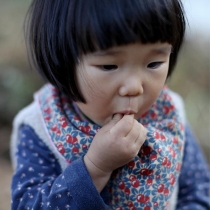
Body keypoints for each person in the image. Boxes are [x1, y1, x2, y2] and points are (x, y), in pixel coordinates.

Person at [10, 0, 210, 209]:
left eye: (154, 63)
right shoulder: (42, 127)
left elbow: (197, 191)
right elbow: (27, 204)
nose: (134, 87)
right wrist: (95, 168)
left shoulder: (168, 115)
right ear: (62, 61)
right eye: (109, 66)